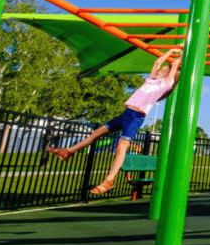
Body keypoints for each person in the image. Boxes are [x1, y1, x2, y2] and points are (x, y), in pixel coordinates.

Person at [47, 48, 184, 195]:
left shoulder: (164, 84)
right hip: (125, 114)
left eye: (163, 71)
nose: (158, 71)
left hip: (135, 117)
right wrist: (170, 51)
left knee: (121, 147)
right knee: (96, 133)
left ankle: (110, 180)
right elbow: (157, 62)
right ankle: (69, 151)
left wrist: (181, 51)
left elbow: (176, 64)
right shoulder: (151, 80)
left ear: (169, 75)